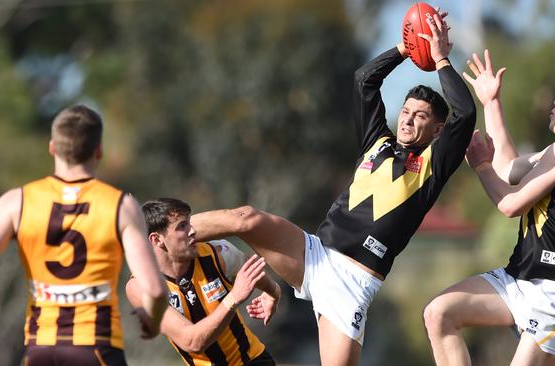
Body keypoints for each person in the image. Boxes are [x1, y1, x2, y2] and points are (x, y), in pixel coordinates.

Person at [188, 8, 476, 366]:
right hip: (315, 255)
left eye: (420, 117)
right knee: (245, 218)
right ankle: (171, 237)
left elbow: (464, 112)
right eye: (406, 111)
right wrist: (405, 49)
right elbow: (364, 80)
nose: (408, 119)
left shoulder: (433, 164)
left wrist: (441, 58)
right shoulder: (377, 141)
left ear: (436, 131)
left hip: (354, 283)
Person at [423, 50, 555, 365]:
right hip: (518, 279)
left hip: (553, 293)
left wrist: (480, 166)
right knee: (439, 313)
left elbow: (510, 203)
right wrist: (491, 103)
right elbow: (508, 168)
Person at [0, 105, 168, 365]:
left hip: (40, 349)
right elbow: (155, 290)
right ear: (99, 151)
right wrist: (152, 323)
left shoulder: (17, 202)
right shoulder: (120, 206)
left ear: (52, 147)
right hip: (97, 347)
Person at [126, 198, 281, 366]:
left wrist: (273, 293)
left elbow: (251, 271)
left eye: (190, 223)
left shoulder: (217, 253)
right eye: (182, 226)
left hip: (252, 361)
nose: (193, 231)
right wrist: (234, 297)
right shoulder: (142, 287)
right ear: (156, 240)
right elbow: (191, 342)